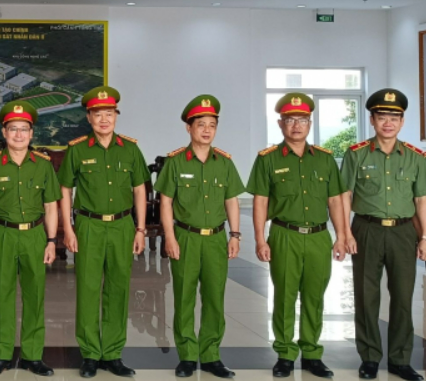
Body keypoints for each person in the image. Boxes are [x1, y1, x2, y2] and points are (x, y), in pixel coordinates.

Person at [246, 92, 348, 379]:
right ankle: (285, 354)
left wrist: (341, 236)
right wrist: (260, 239)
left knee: (315, 296)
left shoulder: (325, 160)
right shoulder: (267, 159)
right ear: (280, 124)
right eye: (290, 120)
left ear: (310, 123)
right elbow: (261, 201)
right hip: (284, 235)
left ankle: (312, 354)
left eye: (302, 120)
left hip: (318, 237)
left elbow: (335, 200)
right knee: (285, 295)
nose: (296, 125)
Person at [58, 86, 150, 378]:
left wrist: (140, 229)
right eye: (98, 114)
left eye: (109, 114)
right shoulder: (77, 149)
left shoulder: (130, 149)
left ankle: (112, 353)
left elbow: (140, 190)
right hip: (89, 225)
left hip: (123, 225)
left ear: (116, 116)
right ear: (89, 117)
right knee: (87, 289)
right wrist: (68, 228)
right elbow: (65, 190)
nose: (104, 120)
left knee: (118, 288)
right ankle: (89, 354)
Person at [155, 95, 244, 378]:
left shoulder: (224, 163)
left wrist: (235, 235)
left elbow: (231, 200)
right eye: (201, 124)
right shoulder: (175, 162)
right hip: (186, 237)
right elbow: (166, 203)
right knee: (184, 297)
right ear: (189, 127)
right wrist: (169, 237)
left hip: (216, 238)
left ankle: (211, 356)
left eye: (212, 125)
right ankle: (187, 356)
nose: (207, 130)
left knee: (215, 297)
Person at [340, 89, 426, 381]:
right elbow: (344, 195)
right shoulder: (357, 154)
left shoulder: (416, 157)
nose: (388, 123)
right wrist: (345, 232)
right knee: (366, 297)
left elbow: (421, 200)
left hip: (403, 232)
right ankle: (369, 358)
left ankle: (400, 360)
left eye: (394, 117)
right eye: (382, 117)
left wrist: (424, 237)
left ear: (402, 122)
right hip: (367, 229)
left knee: (403, 297)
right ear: (372, 119)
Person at [0, 100, 60, 377]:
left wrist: (51, 241)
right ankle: (1, 355)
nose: (18, 134)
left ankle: (33, 356)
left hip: (35, 235)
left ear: (31, 133)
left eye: (24, 129)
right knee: (2, 295)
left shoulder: (43, 165)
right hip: (3, 235)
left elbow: (51, 206)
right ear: (4, 132)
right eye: (13, 129)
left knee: (35, 296)